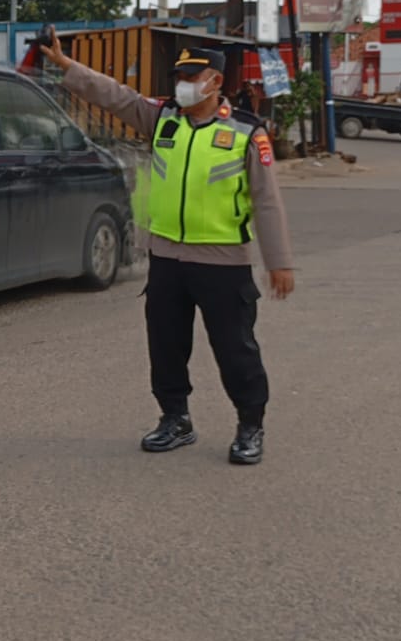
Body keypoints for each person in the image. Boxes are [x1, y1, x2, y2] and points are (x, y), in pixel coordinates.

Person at [41, 30, 295, 466]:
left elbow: (266, 201)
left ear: (215, 81)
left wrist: (279, 262)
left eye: (191, 76)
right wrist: (70, 69)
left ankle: (250, 425)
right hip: (168, 260)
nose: (182, 83)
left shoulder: (245, 133)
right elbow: (117, 97)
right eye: (180, 76)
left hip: (222, 263)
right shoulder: (164, 119)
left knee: (235, 350)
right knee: (166, 346)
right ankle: (175, 419)